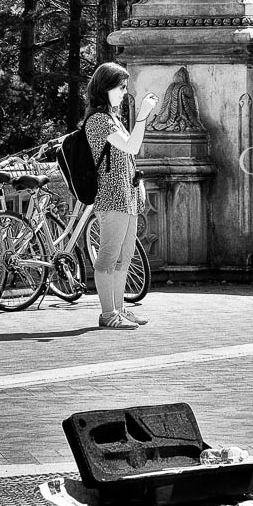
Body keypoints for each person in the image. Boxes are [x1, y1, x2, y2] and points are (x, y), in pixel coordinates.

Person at [83, 62, 159, 330]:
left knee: (124, 258)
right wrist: (142, 116)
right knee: (108, 258)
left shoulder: (113, 118)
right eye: (121, 87)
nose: (124, 92)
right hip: (111, 197)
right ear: (105, 88)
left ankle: (119, 309)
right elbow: (132, 146)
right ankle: (107, 314)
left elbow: (128, 156)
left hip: (126, 196)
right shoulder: (97, 120)